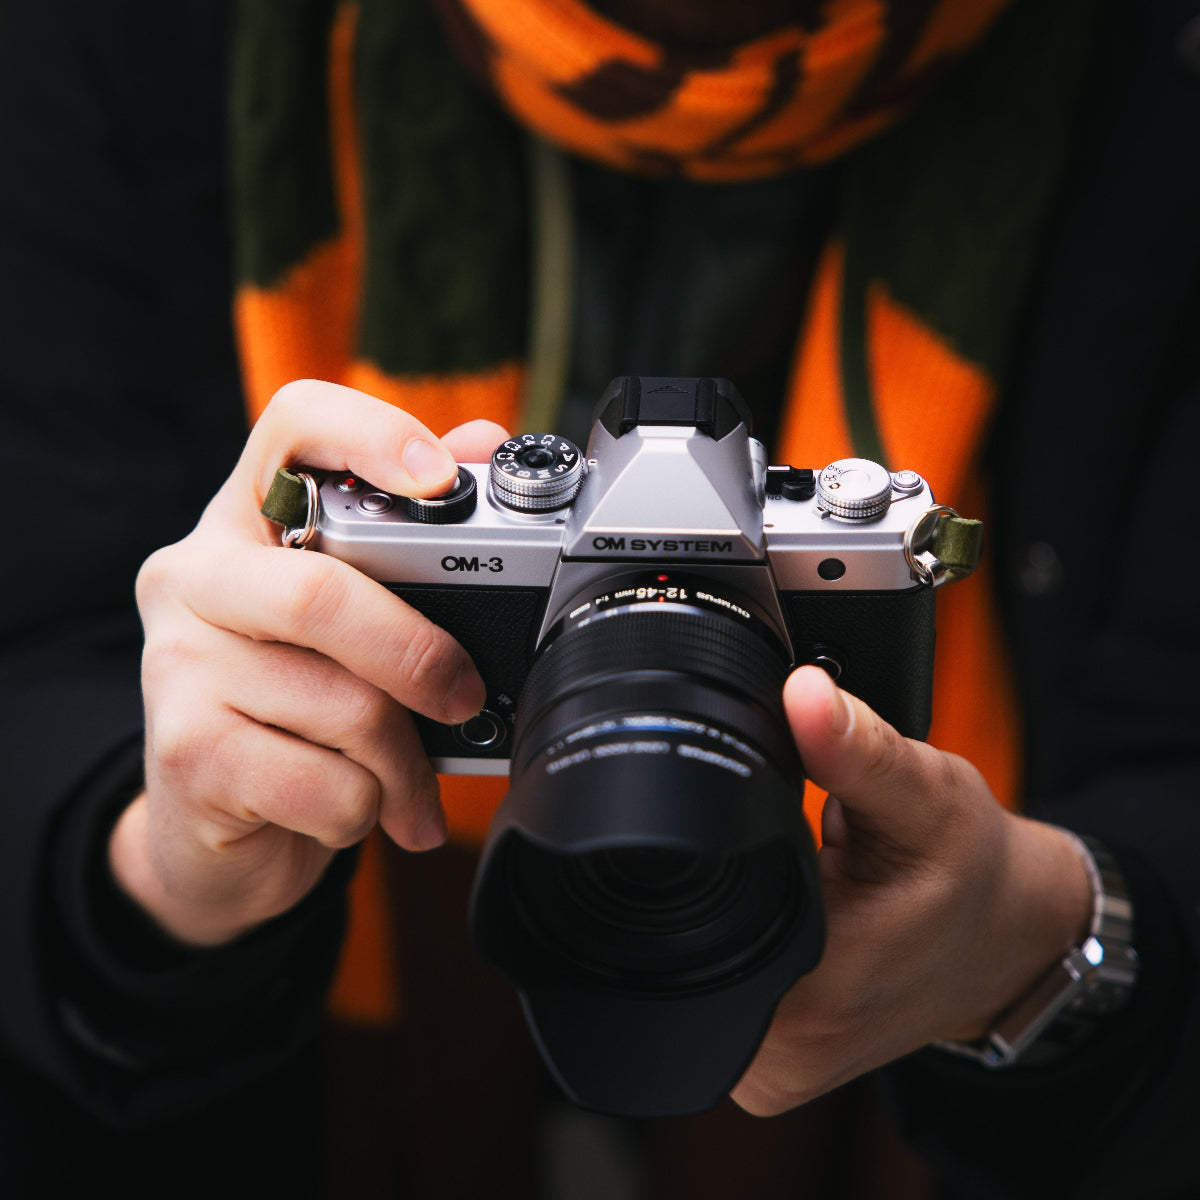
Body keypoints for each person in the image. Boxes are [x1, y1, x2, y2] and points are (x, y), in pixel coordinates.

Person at [1, 0, 1197, 1197]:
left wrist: (1052, 934)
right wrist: (155, 858)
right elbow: (42, 650)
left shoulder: (1155, 75)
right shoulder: (119, 39)